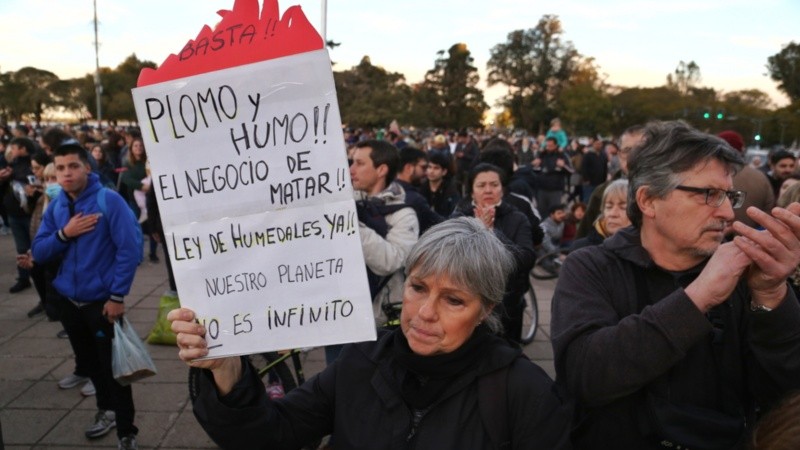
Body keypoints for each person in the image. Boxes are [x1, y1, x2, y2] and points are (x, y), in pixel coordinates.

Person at [168, 217, 571, 449]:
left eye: (453, 301)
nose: (425, 314)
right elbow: (272, 433)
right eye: (418, 288)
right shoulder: (363, 360)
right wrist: (225, 371)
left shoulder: (523, 391)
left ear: (485, 310)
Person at [551, 121, 800, 449]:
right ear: (649, 200)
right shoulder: (591, 267)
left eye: (729, 195)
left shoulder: (745, 276)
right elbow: (585, 377)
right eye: (709, 194)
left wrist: (771, 295)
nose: (727, 212)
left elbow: (784, 394)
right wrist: (698, 297)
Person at [31, 140, 142, 449]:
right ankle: (104, 412)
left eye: (73, 166)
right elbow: (39, 252)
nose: (66, 174)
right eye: (61, 168)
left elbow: (129, 250)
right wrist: (66, 233)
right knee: (91, 366)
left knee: (115, 371)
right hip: (70, 303)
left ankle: (126, 432)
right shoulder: (56, 208)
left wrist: (117, 297)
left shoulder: (108, 201)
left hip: (103, 303)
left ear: (87, 168)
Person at [452, 164, 535, 344]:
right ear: (472, 191)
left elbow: (526, 257)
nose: (488, 190)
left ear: (502, 189)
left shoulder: (517, 218)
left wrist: (492, 233)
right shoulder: (458, 218)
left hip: (508, 301)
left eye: (494, 185)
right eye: (481, 185)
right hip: (466, 298)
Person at [576, 125, 644, 239]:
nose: (633, 156)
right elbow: (583, 237)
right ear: (619, 155)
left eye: (641, 150)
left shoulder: (666, 192)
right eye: (627, 150)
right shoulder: (601, 193)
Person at [718, 130, 775, 229]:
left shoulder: (704, 175)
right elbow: (769, 210)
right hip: (750, 239)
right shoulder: (760, 177)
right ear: (741, 150)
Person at [569, 179, 629, 251]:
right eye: (608, 207)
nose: (613, 214)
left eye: (623, 208)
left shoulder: (644, 249)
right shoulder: (581, 250)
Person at [395, 146, 443, 234]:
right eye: (423, 168)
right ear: (409, 168)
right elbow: (441, 224)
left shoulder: (387, 189)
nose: (426, 172)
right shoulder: (415, 200)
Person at [419, 151, 460, 217]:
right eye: (429, 167)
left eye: (436, 168)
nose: (431, 171)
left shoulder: (451, 192)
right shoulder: (420, 188)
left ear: (444, 172)